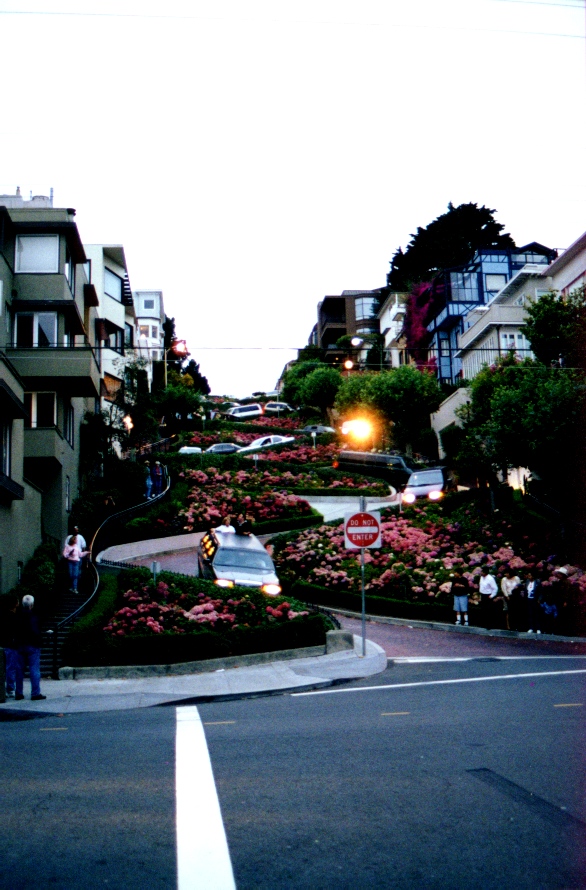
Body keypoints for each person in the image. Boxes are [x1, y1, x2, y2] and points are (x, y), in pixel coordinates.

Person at [14, 594, 45, 701]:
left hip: (20, 645)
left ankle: (18, 693)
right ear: (32, 604)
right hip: (32, 644)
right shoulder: (34, 616)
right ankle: (35, 693)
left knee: (19, 670)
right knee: (34, 669)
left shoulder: (18, 616)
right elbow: (36, 630)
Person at [0, 596, 19, 699]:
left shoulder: (3, 616)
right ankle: (10, 689)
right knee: (11, 667)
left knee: (4, 668)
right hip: (11, 645)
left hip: (3, 644)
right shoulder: (14, 617)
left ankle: (4, 689)